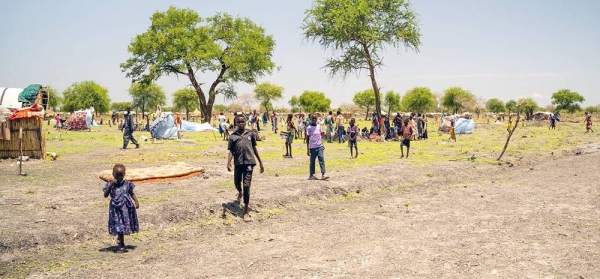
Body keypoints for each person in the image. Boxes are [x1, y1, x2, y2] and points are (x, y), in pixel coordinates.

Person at [227, 115, 264, 222]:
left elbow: (254, 148)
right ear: (235, 123)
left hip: (249, 162)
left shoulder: (250, 134)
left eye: (242, 122)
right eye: (238, 122)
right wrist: (228, 162)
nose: (241, 124)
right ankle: (240, 191)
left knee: (246, 185)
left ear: (245, 122)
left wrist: (260, 162)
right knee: (237, 183)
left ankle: (246, 210)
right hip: (238, 163)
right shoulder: (232, 137)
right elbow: (231, 151)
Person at [103, 164, 139, 253]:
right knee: (118, 225)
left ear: (124, 174)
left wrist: (136, 201)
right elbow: (105, 195)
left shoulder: (127, 184)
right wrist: (111, 185)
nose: (119, 177)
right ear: (113, 174)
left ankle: (121, 242)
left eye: (121, 175)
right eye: (117, 175)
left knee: (123, 225)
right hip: (115, 209)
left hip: (126, 208)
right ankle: (120, 244)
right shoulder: (110, 184)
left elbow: (131, 193)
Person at [306, 114, 328, 180]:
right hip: (312, 147)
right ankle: (311, 175)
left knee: (321, 159)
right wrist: (307, 149)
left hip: (319, 146)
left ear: (317, 119)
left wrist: (323, 135)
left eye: (315, 118)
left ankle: (323, 174)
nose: (314, 120)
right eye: (313, 118)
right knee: (312, 161)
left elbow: (321, 135)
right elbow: (307, 138)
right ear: (311, 119)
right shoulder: (309, 128)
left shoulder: (319, 127)